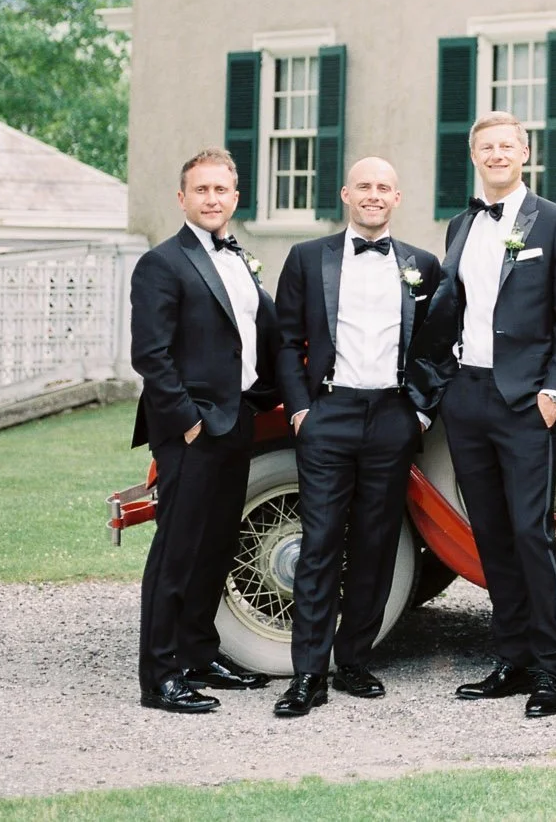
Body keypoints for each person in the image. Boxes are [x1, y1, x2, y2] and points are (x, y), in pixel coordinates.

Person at [407, 112, 556, 718]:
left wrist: (554, 391)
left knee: (531, 533)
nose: (496, 155)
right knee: (488, 533)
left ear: (525, 153)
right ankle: (511, 658)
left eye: (506, 146)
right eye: (486, 147)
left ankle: (552, 668)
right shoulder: (461, 225)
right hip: (467, 397)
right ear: (474, 155)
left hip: (526, 400)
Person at [270, 156, 444, 718]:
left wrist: (419, 412)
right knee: (320, 544)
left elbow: (437, 348)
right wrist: (301, 410)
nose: (374, 195)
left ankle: (354, 660)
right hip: (329, 414)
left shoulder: (423, 264)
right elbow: (285, 340)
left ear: (397, 198)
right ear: (346, 193)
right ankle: (308, 674)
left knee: (376, 544)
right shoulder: (305, 259)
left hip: (393, 417)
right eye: (364, 186)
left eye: (384, 187)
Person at [129, 147, 280, 712]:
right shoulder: (162, 264)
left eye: (222, 190)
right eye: (202, 190)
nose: (213, 199)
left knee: (216, 545)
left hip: (236, 420)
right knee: (178, 551)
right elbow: (151, 356)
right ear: (182, 198)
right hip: (192, 429)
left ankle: (199, 653)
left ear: (235, 198)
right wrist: (188, 422)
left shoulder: (237, 260)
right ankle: (160, 675)